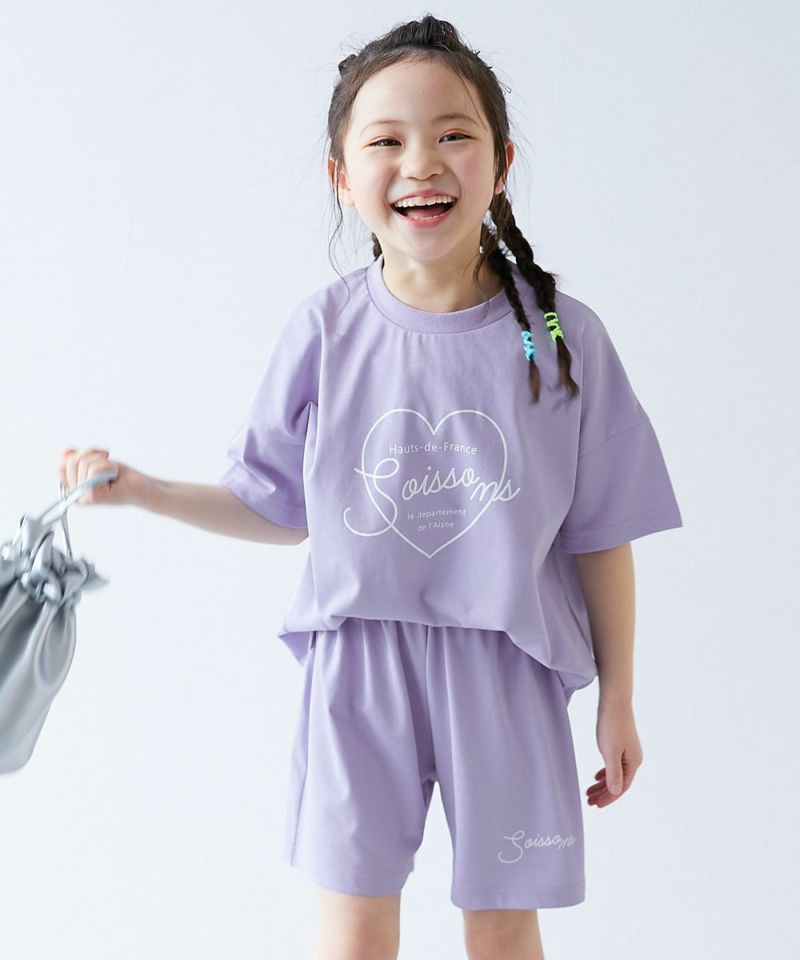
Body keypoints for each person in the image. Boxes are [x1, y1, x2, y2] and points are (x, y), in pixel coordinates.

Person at [57, 15, 683, 960]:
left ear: (501, 164)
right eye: (385, 141)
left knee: (504, 929)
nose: (420, 162)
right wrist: (145, 489)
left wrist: (620, 698)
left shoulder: (556, 337)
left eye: (453, 134)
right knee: (352, 932)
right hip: (356, 671)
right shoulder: (325, 331)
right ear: (342, 178)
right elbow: (276, 505)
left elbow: (601, 531)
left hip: (507, 668)